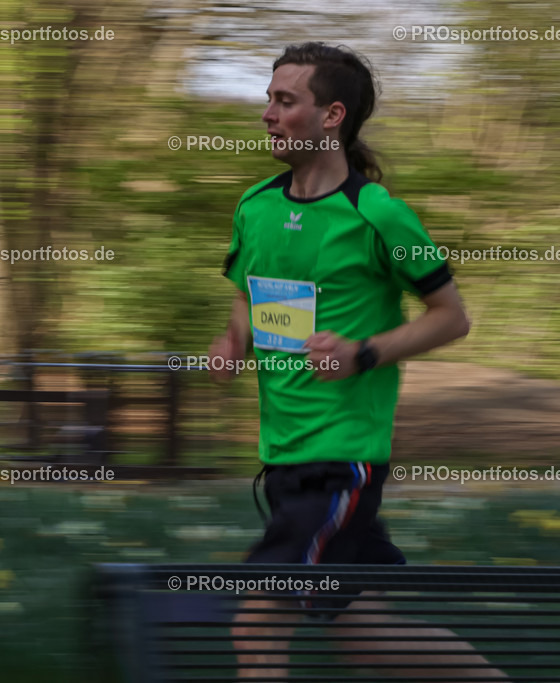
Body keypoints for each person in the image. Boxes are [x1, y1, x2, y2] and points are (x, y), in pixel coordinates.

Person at [208, 42, 506, 679]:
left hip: (340, 463)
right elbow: (249, 296)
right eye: (269, 97)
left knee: (256, 625)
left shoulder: (376, 214)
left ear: (332, 115)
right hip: (284, 455)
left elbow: (452, 317)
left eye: (285, 100)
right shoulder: (256, 205)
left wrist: (364, 353)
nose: (267, 112)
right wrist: (234, 342)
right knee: (366, 638)